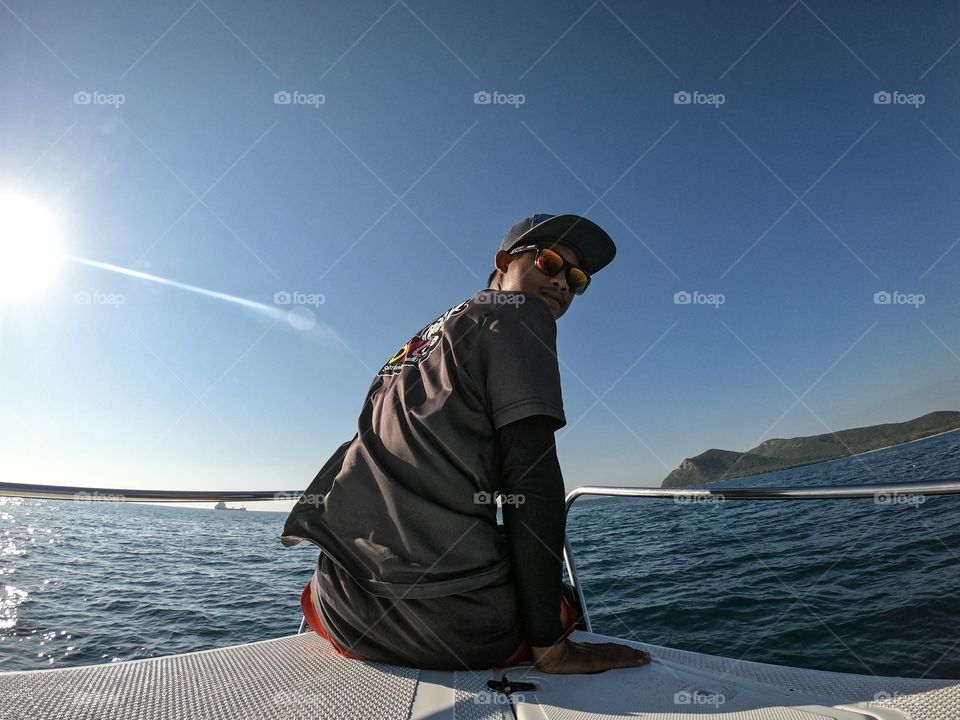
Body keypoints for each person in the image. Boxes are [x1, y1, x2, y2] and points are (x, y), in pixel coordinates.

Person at [281, 213, 651, 674]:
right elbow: (531, 477)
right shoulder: (520, 311)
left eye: (576, 279)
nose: (561, 283)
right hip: (440, 626)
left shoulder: (410, 350)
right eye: (550, 261)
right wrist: (549, 644)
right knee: (564, 603)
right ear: (504, 262)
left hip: (337, 602)